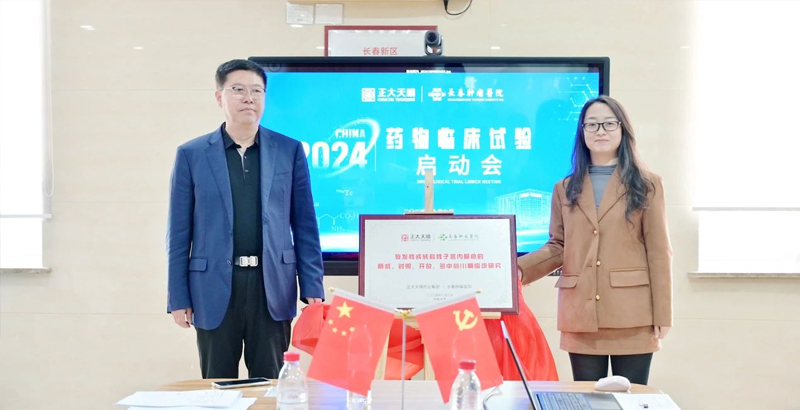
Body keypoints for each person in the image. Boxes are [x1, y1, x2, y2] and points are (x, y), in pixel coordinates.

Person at [166, 59, 324, 379]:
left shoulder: (289, 150)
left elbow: (305, 225)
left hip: (272, 287)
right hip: (212, 287)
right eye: (238, 90)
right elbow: (179, 233)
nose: (248, 98)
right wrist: (178, 296)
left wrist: (312, 286)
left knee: (270, 385)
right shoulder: (192, 154)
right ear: (219, 97)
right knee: (216, 384)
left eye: (256, 91)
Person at [517, 95, 672, 385]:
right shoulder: (564, 188)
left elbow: (659, 252)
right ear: (582, 132)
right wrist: (518, 269)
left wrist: (663, 314)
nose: (600, 131)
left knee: (631, 400)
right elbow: (558, 246)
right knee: (587, 399)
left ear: (623, 129)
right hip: (581, 315)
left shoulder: (647, 184)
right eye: (592, 124)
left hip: (633, 315)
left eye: (609, 123)